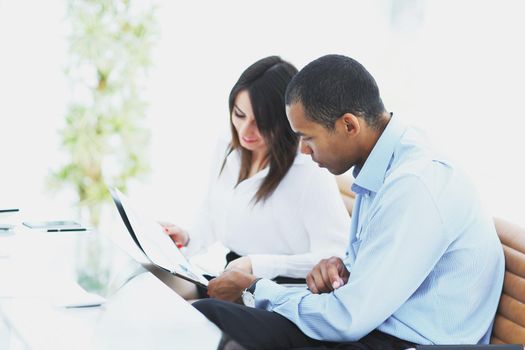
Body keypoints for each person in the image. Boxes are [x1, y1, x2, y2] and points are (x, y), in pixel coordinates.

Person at [193, 54, 505, 349]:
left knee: (217, 321)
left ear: (349, 125)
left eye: (308, 137)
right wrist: (342, 269)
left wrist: (254, 286)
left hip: (398, 342)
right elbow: (369, 286)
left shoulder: (414, 185)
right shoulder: (385, 164)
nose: (302, 150)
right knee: (210, 314)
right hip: (372, 328)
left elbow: (347, 319)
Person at [160, 56, 350, 299]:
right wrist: (187, 237)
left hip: (279, 293)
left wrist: (256, 264)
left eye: (261, 123)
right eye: (239, 115)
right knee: (147, 278)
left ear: (286, 122)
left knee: (194, 312)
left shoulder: (309, 170)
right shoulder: (227, 147)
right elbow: (214, 213)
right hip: (227, 277)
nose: (246, 131)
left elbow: (336, 255)